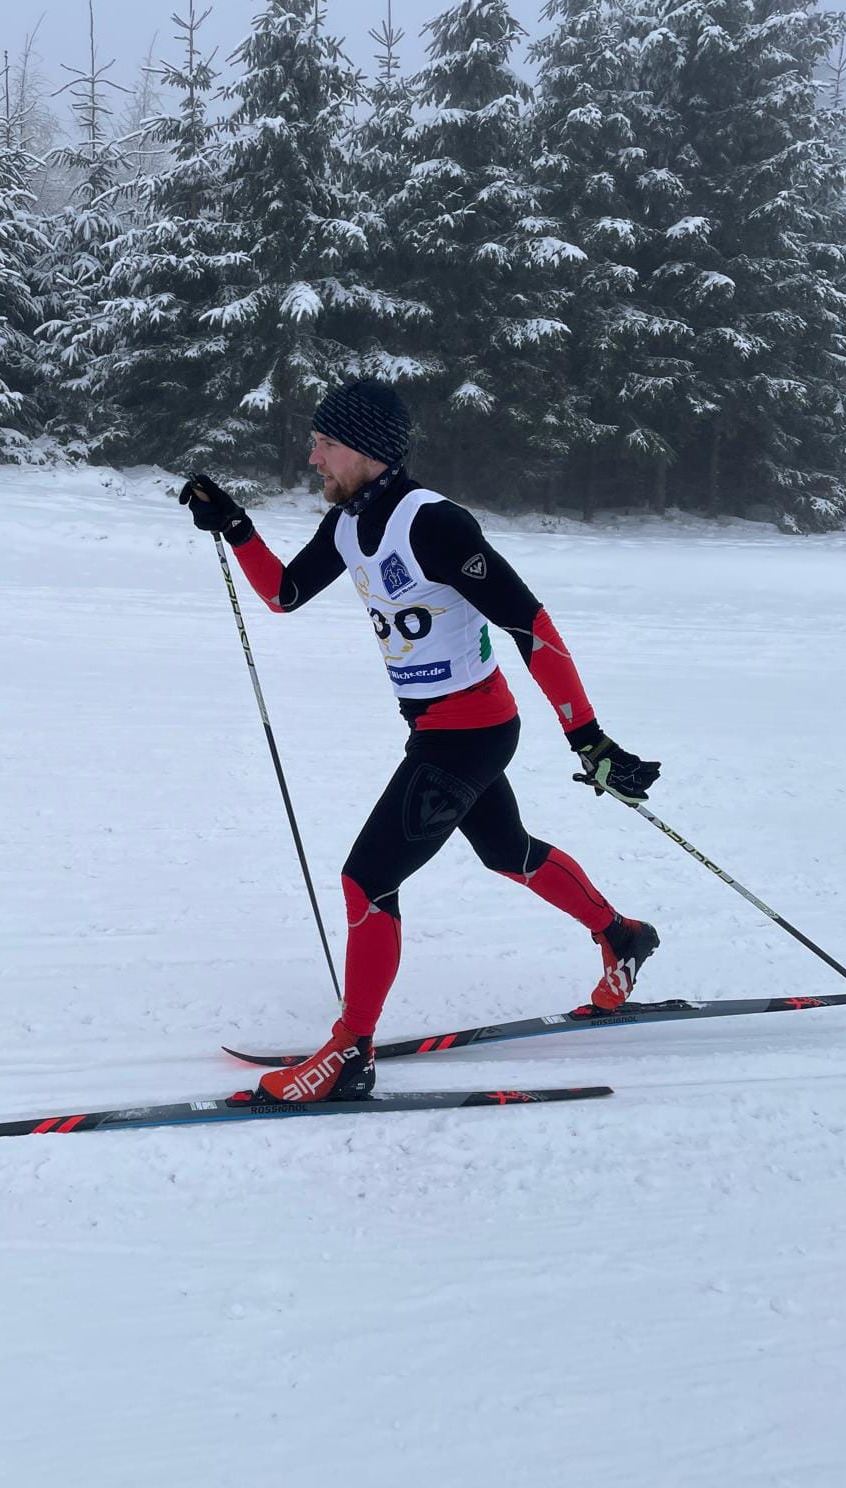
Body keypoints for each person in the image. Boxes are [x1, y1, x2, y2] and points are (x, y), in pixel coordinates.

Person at [180, 379, 661, 1105]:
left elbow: (530, 626)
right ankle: (622, 935)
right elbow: (283, 594)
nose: (313, 458)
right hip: (439, 729)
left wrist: (588, 739)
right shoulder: (349, 523)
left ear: (367, 450)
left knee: (367, 880)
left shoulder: (433, 523)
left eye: (325, 443)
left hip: (471, 733)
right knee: (507, 852)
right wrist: (237, 527)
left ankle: (351, 1052)